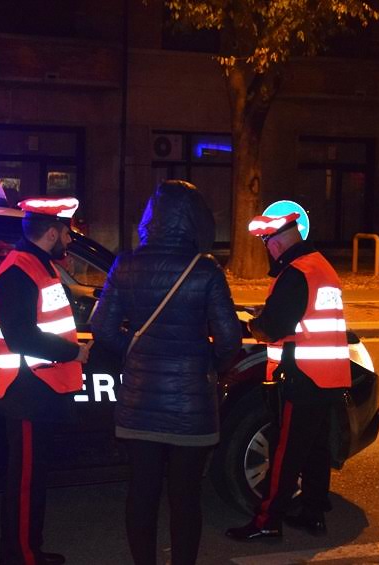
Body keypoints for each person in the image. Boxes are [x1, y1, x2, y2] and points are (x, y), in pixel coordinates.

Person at [91, 180, 242, 565]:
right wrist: (203, 361)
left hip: (139, 402)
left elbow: (102, 327)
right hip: (191, 409)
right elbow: (229, 340)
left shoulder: (125, 264)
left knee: (141, 493)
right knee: (185, 498)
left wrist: (135, 352)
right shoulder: (205, 270)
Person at [225, 211, 351, 541]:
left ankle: (267, 520)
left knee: (285, 451)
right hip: (330, 374)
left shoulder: (295, 273)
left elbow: (272, 327)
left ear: (278, 242)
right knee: (315, 448)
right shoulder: (320, 266)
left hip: (303, 376)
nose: (269, 252)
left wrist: (250, 324)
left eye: (268, 245)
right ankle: (313, 513)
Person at [0, 197, 93, 565]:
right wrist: (72, 353)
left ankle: (30, 549)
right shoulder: (19, 271)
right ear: (51, 233)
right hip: (27, 390)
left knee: (33, 480)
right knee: (25, 483)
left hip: (40, 389)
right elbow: (21, 337)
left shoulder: (37, 265)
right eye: (66, 232)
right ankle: (20, 557)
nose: (69, 239)